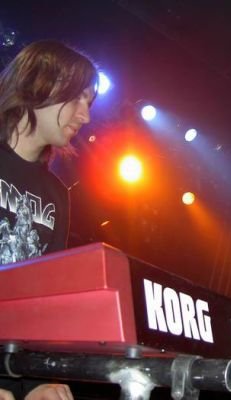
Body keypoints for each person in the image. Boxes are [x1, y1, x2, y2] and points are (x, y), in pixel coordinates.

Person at [0, 40, 98, 399]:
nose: (85, 116)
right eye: (78, 98)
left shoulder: (57, 194)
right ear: (39, 82)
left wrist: (38, 382)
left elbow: (42, 304)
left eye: (89, 103)